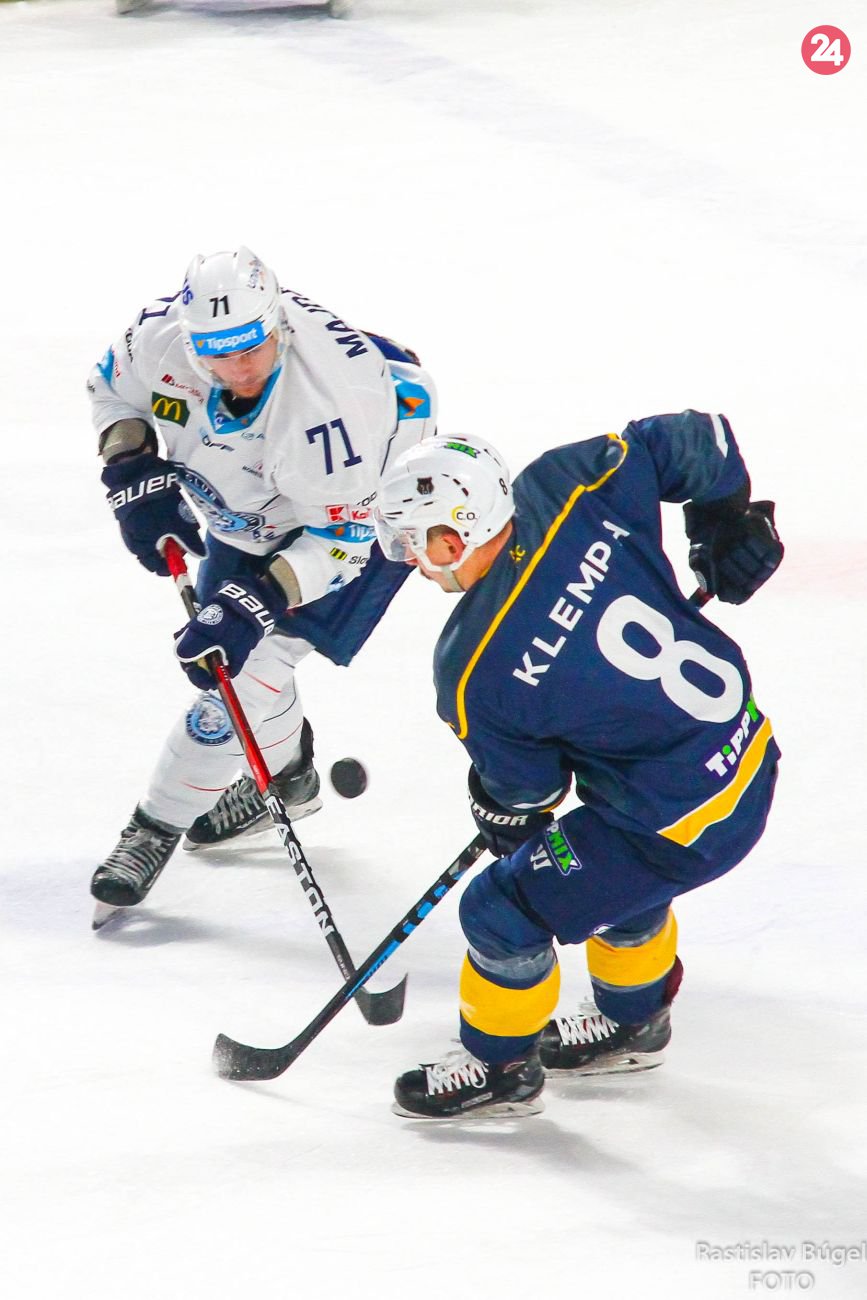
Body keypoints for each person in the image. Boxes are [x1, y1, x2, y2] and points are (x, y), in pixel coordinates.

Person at [373, 416, 783, 1118]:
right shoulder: (567, 484)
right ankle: (634, 1020)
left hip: (674, 825)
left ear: (454, 535)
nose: (414, 558)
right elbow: (690, 440)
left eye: (417, 541)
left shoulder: (473, 666)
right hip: (746, 751)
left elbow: (528, 795)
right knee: (611, 873)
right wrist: (725, 517)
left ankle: (499, 1067)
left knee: (499, 910)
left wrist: (494, 808)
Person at [89, 246, 436, 912]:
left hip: (364, 519)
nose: (241, 369)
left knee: (242, 671)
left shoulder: (331, 411)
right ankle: (288, 777)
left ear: (277, 324)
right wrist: (129, 465)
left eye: (253, 348)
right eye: (219, 355)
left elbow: (340, 546)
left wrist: (261, 599)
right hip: (252, 506)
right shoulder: (158, 338)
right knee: (234, 658)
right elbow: (111, 390)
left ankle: (155, 826)